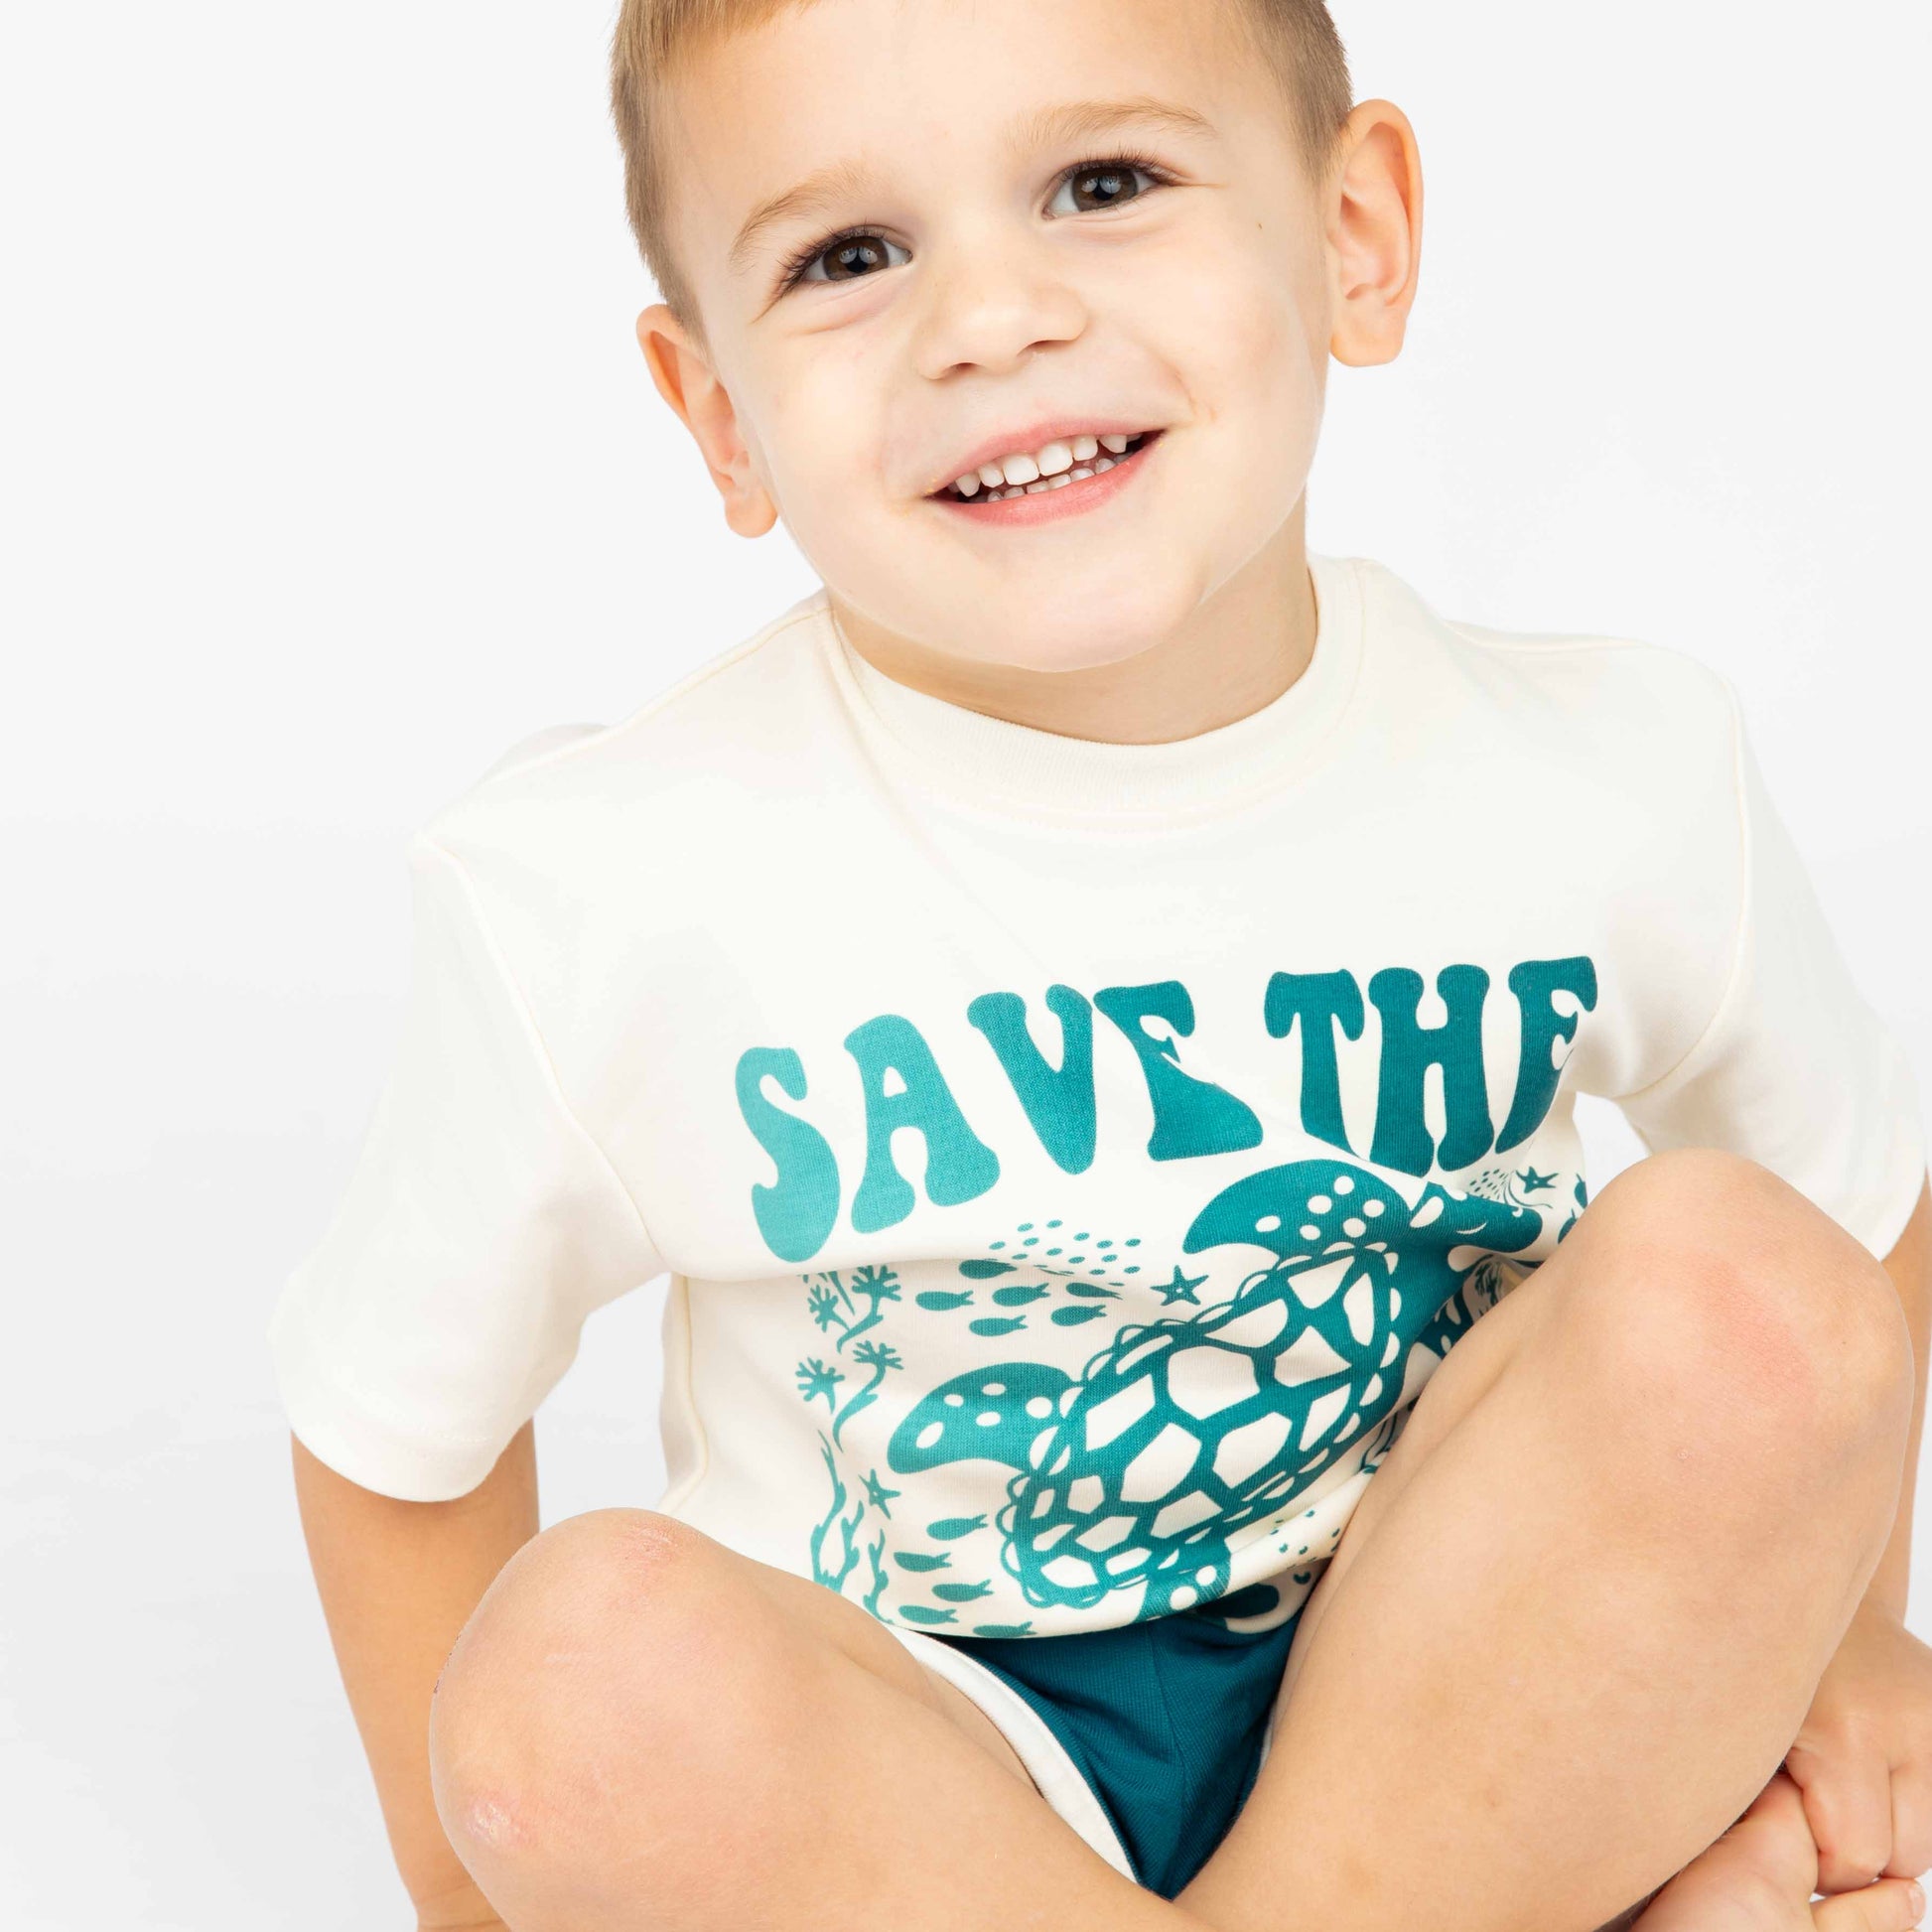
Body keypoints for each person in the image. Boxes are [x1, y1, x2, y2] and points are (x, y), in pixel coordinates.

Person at [270, 2, 1932, 1928]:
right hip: (925, 1758)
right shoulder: (597, 883)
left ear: (1353, 237)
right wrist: (460, 1900)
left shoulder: (1610, 769)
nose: (988, 320)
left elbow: (1858, 1210)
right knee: (571, 1685)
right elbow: (392, 1428)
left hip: (1469, 1658)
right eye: (847, 255)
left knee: (1746, 1292)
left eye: (1103, 182)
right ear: (717, 407)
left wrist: (1837, 1630)